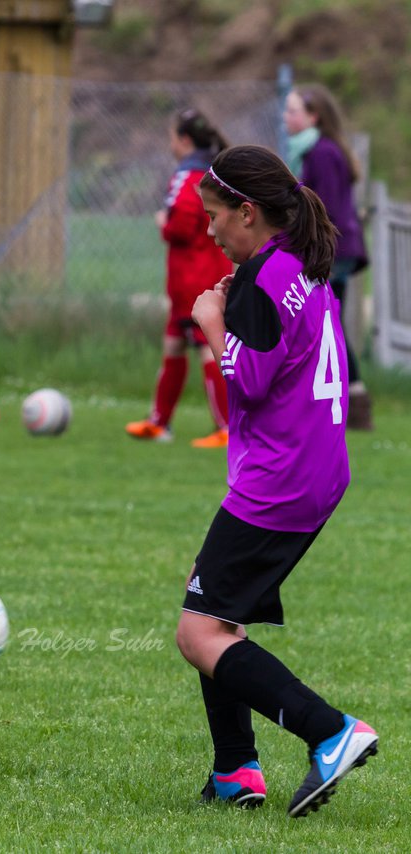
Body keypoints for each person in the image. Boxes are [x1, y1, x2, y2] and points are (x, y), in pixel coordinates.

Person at [177, 144, 377, 817]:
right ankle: (235, 771)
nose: (208, 229)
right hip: (314, 468)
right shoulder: (300, 264)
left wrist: (211, 324)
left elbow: (252, 381)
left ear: (248, 211)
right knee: (212, 607)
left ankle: (331, 731)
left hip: (281, 479)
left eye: (214, 217)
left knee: (198, 633)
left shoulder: (263, 281)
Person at [125, 109, 233, 448]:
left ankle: (228, 426)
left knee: (205, 345)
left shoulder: (188, 178)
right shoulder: (211, 174)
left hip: (194, 276)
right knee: (173, 342)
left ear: (184, 141)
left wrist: (164, 224)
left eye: (171, 137)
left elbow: (184, 224)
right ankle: (160, 422)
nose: (169, 145)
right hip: (196, 273)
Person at [283, 84, 373, 430]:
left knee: (325, 323)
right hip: (332, 249)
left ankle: (354, 400)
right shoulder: (311, 151)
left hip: (332, 251)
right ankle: (346, 398)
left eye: (293, 111)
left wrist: (310, 250)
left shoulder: (322, 153)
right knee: (324, 322)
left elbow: (328, 210)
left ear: (313, 117)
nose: (286, 117)